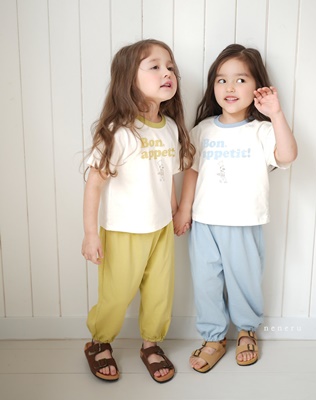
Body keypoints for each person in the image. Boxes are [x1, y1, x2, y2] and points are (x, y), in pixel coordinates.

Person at [173, 44, 297, 372]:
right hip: (204, 222)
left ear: (257, 86)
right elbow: (192, 171)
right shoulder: (202, 130)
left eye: (240, 80)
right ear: (213, 86)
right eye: (221, 80)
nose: (230, 87)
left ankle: (246, 330)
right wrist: (184, 210)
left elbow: (287, 156)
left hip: (243, 222)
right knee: (206, 282)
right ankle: (213, 337)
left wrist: (276, 114)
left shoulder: (262, 130)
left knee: (244, 280)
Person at [81, 39, 195, 383]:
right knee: (116, 295)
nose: (167, 73)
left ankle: (151, 344)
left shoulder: (170, 128)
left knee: (160, 293)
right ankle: (99, 341)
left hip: (160, 229)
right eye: (155, 66)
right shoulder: (118, 132)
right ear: (129, 78)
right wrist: (90, 234)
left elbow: (167, 177)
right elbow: (94, 184)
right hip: (123, 230)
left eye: (170, 67)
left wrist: (176, 210)